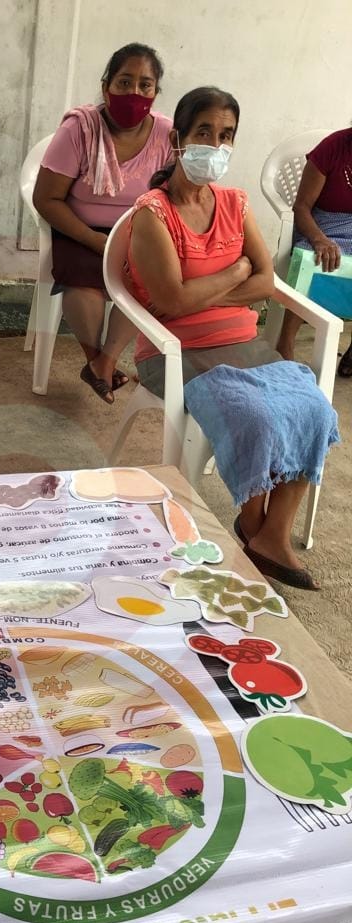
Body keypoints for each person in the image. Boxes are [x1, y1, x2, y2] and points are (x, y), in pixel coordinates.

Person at [127, 87, 339, 591]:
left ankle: (272, 533)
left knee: (313, 408)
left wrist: (202, 292)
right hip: (175, 351)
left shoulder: (234, 203)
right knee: (257, 417)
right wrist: (236, 271)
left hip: (245, 344)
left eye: (226, 136)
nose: (216, 146)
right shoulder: (152, 214)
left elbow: (266, 283)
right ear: (177, 140)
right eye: (204, 132)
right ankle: (252, 520)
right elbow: (172, 303)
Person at [32, 42, 173, 403]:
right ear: (106, 85)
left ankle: (103, 363)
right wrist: (94, 240)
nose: (134, 93)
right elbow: (45, 198)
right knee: (85, 286)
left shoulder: (167, 135)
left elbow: (173, 197)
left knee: (152, 280)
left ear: (156, 92)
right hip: (77, 230)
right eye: (124, 82)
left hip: (136, 232)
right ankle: (97, 359)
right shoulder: (80, 129)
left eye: (145, 85)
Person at [276, 127, 352, 374]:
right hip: (321, 224)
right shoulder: (332, 147)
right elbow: (301, 207)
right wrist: (319, 239)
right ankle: (285, 344)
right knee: (312, 256)